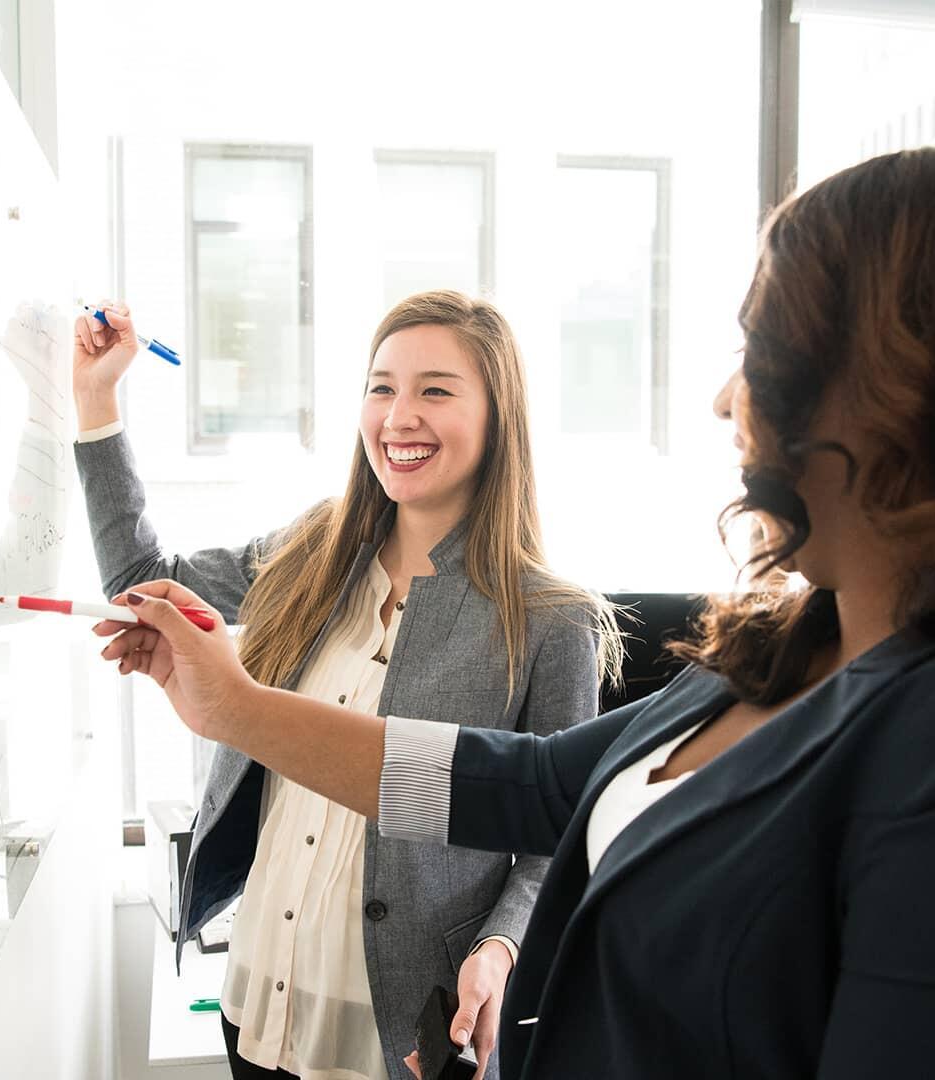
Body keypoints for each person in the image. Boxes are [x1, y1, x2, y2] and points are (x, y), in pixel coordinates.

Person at [94, 149, 935, 1078]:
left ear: (901, 383)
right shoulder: (789, 646)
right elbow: (524, 785)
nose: (727, 397)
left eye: (759, 349)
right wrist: (237, 708)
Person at [72, 290, 617, 1080]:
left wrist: (500, 949)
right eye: (381, 386)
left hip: (403, 1023)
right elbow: (144, 582)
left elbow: (558, 840)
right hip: (260, 991)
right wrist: (98, 399)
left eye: (435, 389)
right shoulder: (313, 548)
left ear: (500, 416)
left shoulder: (551, 619)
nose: (399, 416)